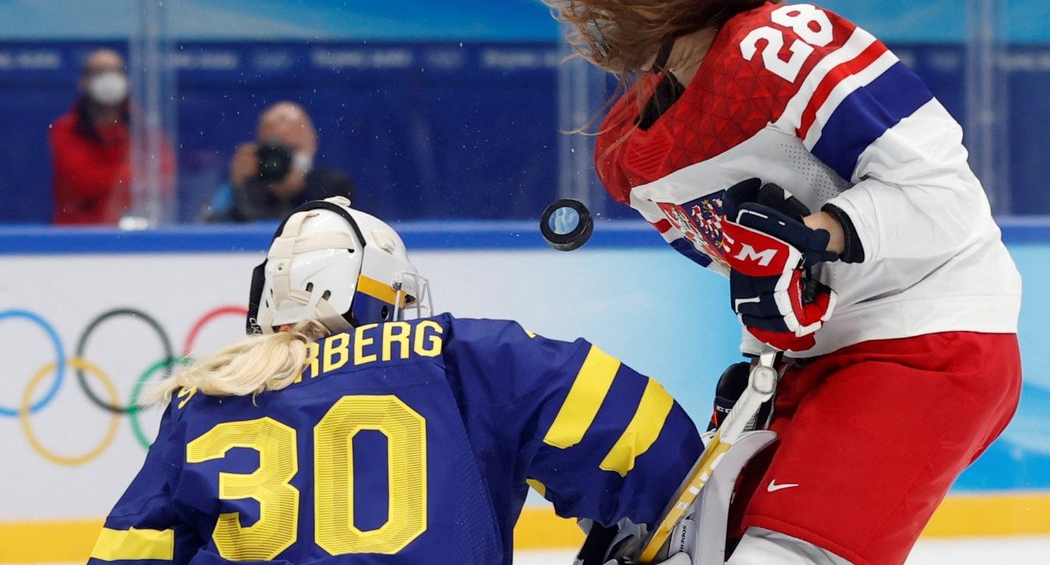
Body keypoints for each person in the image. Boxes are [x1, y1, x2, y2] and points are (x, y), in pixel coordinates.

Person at [523, 0, 1022, 565]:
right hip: (808, 365)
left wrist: (822, 238)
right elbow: (754, 263)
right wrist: (766, 350)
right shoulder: (624, 148)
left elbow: (945, 197)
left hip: (926, 339)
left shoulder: (782, 46)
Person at [89, 196, 701, 564]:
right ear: (380, 295)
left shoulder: (206, 400)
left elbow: (127, 552)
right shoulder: (463, 358)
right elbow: (648, 434)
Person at [49, 48, 172, 224]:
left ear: (127, 80)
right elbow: (83, 182)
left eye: (115, 71)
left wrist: (125, 179)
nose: (108, 79)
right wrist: (131, 176)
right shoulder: (65, 128)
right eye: (99, 72)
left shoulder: (143, 126)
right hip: (78, 235)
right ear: (83, 82)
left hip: (132, 232)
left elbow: (161, 180)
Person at [203, 101, 356, 222]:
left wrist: (298, 192)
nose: (281, 160)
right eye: (275, 149)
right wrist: (237, 186)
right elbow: (210, 230)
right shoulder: (245, 187)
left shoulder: (333, 186)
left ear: (312, 144)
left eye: (292, 149)